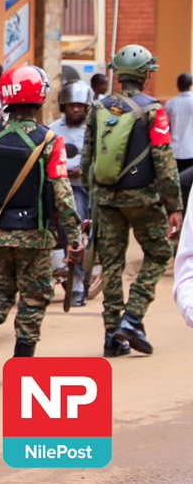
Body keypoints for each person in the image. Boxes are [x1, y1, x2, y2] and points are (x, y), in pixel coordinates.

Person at [0, 66, 83, 380]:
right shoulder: (50, 141)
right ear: (40, 99)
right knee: (34, 297)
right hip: (35, 236)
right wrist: (74, 235)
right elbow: (62, 191)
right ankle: (21, 364)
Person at [83, 45, 183, 356]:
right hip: (143, 199)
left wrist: (94, 202)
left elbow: (88, 160)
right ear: (144, 75)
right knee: (158, 253)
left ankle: (112, 336)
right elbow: (164, 161)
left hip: (106, 199)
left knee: (111, 264)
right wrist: (174, 206)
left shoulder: (97, 110)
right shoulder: (153, 110)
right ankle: (134, 318)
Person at [49, 80, 94, 306]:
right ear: (63, 106)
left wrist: (82, 171)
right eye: (71, 105)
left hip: (78, 188)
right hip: (52, 186)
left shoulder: (93, 129)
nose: (75, 109)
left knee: (73, 220)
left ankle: (76, 280)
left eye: (80, 105)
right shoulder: (53, 129)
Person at [165, 73, 193, 173]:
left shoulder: (170, 104)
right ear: (191, 84)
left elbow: (166, 127)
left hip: (175, 152)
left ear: (177, 85)